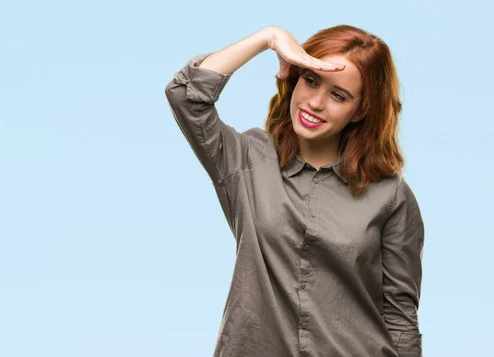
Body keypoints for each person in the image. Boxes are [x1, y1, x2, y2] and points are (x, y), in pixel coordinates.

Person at [164, 25, 424, 357]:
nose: (315, 103)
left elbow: (400, 320)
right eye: (311, 80)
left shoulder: (390, 196)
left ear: (360, 110)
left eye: (338, 95)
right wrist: (268, 38)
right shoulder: (247, 160)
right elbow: (185, 96)